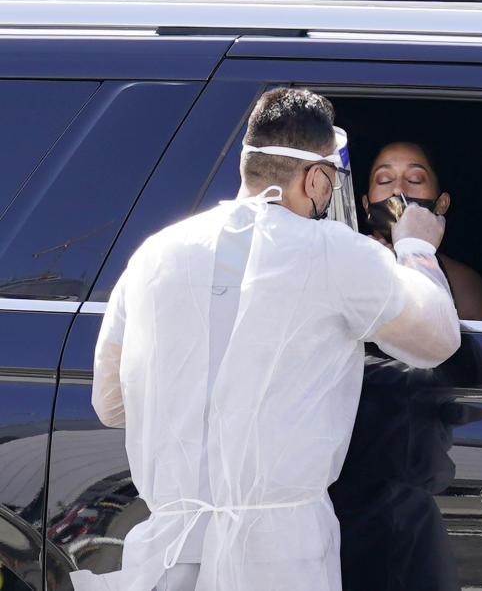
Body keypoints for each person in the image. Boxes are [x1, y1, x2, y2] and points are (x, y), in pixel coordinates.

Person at [69, 88, 461, 591]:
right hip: (280, 558)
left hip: (166, 554)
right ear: (318, 177)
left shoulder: (154, 254)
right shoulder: (332, 252)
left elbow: (110, 403)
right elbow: (437, 339)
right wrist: (415, 247)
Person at [363, 142, 482, 322]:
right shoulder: (344, 262)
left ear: (441, 204)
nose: (398, 190)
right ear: (366, 204)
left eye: (415, 179)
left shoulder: (463, 284)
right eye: (385, 180)